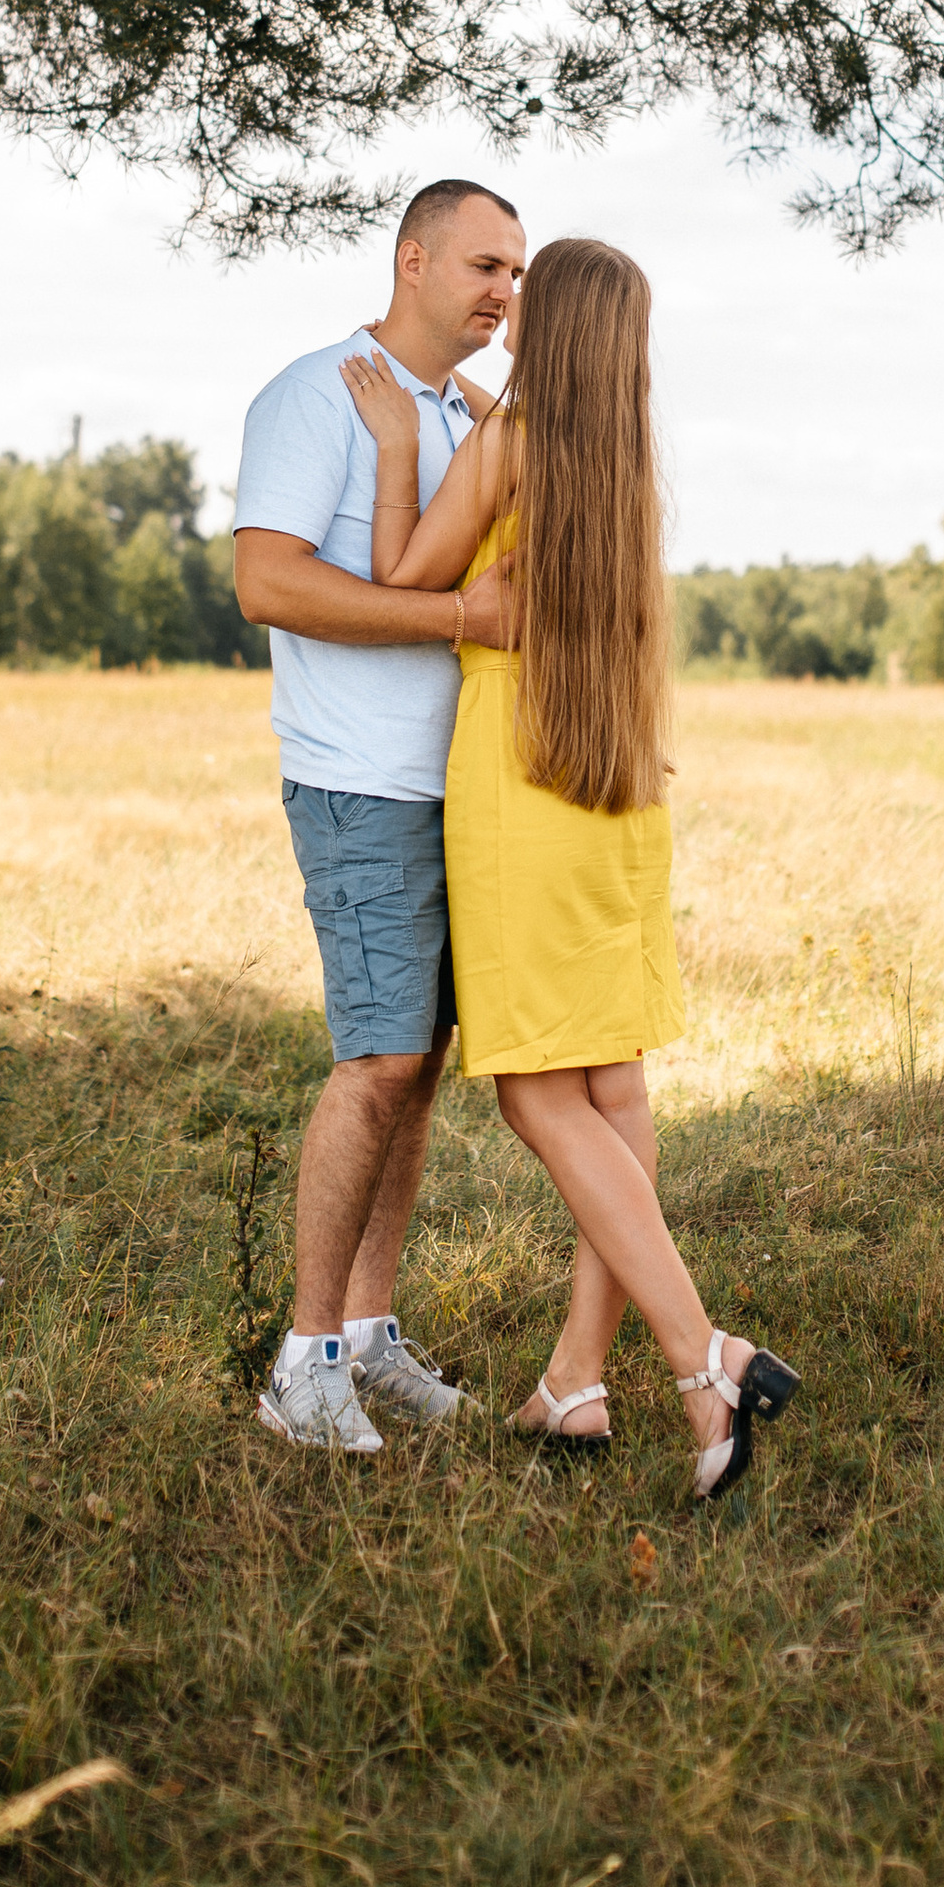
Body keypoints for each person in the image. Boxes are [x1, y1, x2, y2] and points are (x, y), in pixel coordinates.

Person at [342, 235, 800, 1502]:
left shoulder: (513, 441)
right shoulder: (619, 465)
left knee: (538, 1095)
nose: (509, 300)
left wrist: (396, 450)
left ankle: (701, 1355)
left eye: (528, 289)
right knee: (612, 1084)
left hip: (523, 796)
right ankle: (571, 1382)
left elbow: (404, 577)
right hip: (615, 800)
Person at [230, 180, 527, 1451]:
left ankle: (365, 1333)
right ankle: (302, 1361)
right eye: (482, 264)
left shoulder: (462, 413)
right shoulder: (317, 393)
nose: (503, 292)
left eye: (516, 272)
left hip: (460, 783)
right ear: (411, 258)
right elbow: (267, 580)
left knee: (421, 1064)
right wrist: (461, 617)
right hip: (359, 779)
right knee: (379, 1060)